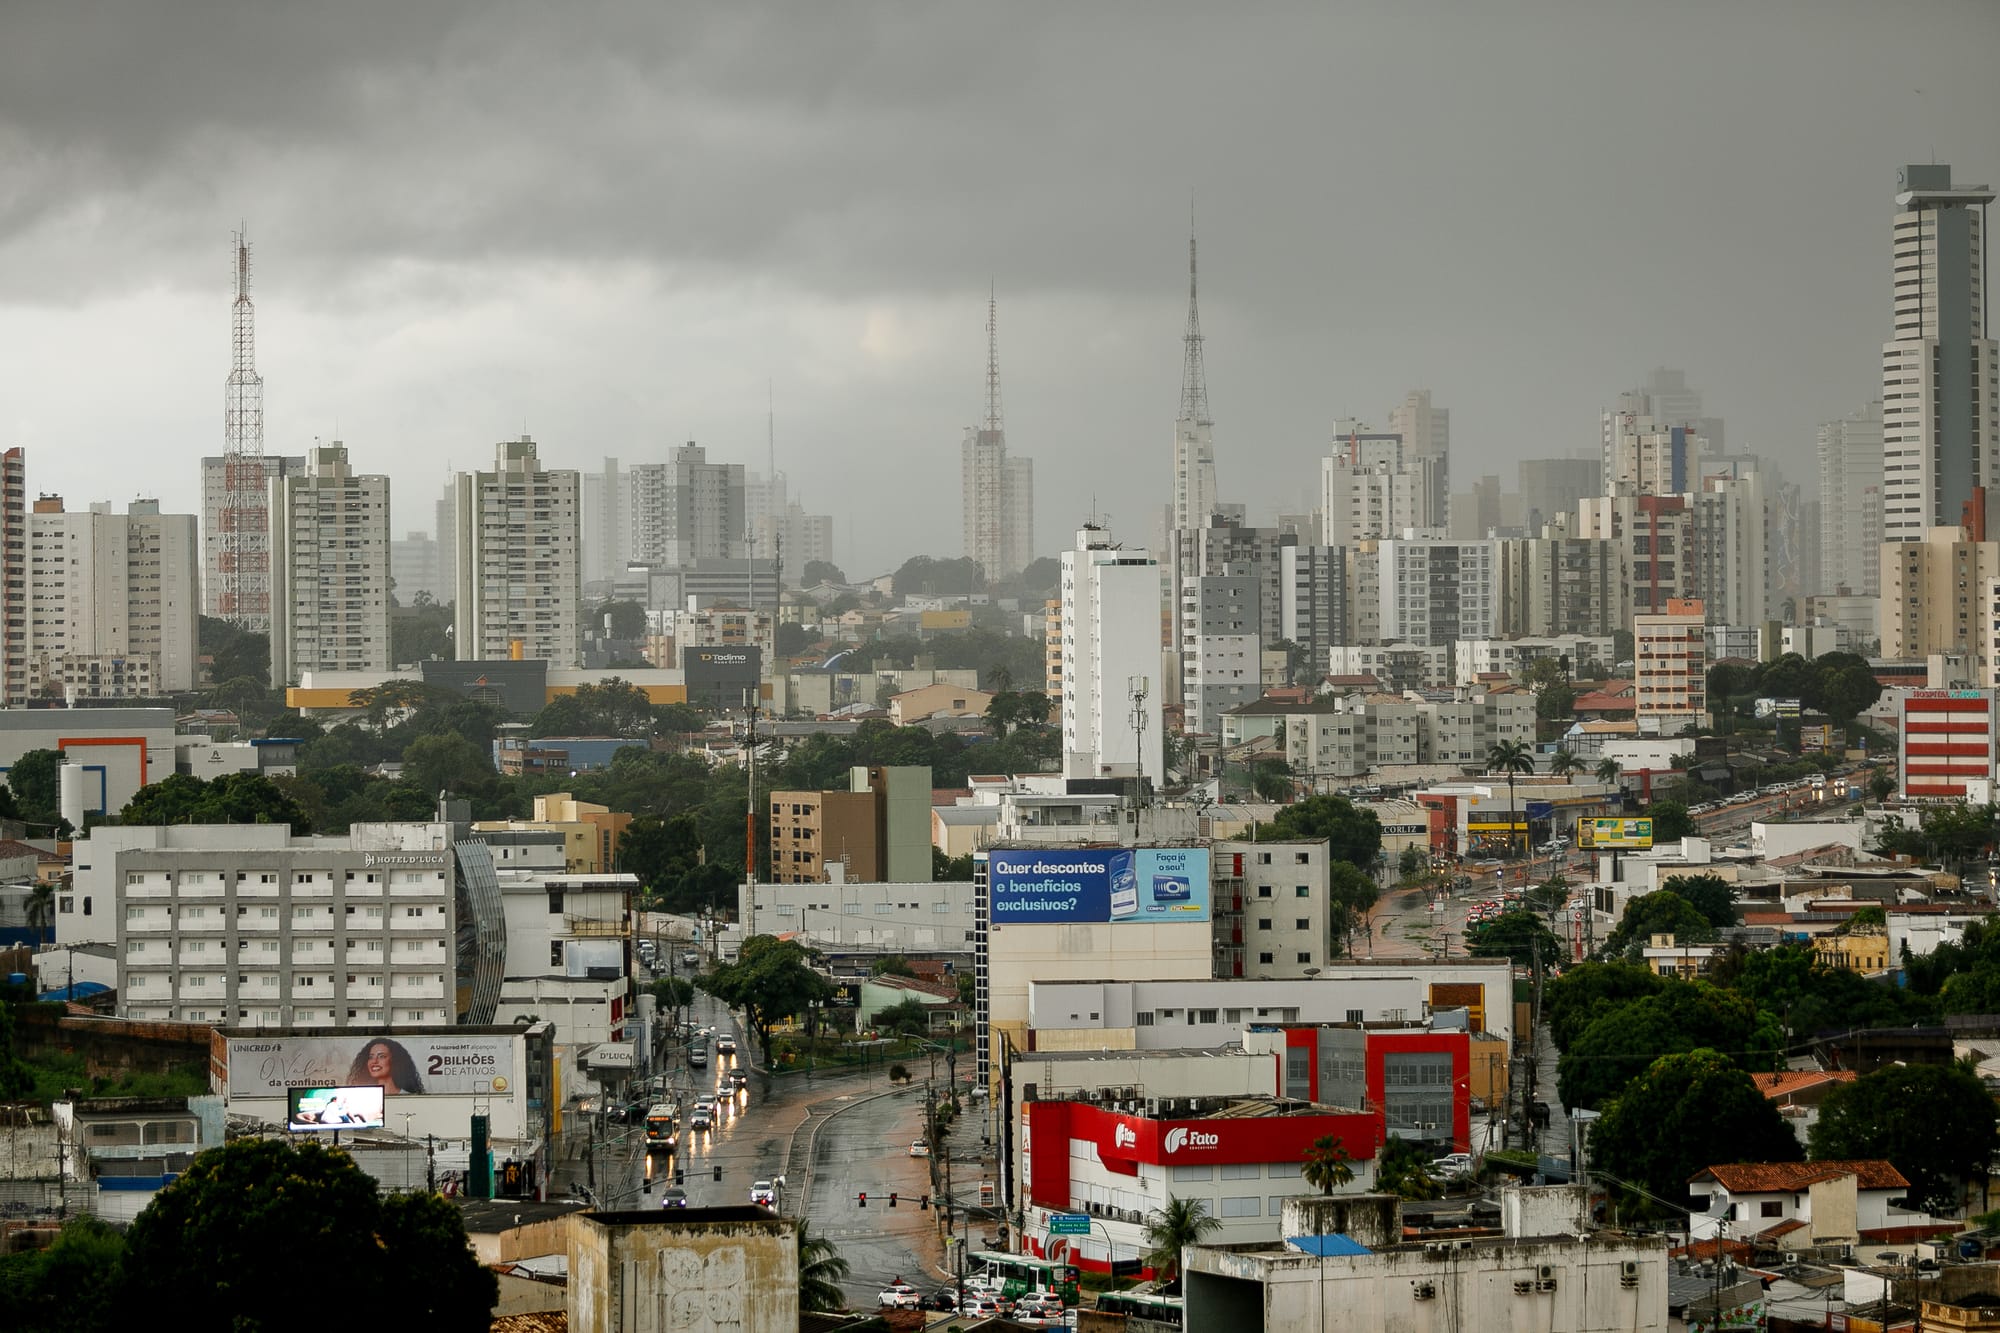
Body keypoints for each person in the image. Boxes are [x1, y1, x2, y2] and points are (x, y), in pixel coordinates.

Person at [347, 1037, 425, 1094]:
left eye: (382, 1056)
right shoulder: (362, 1098)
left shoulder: (408, 1098)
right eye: (371, 1057)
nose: (374, 1061)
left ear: (394, 1060)